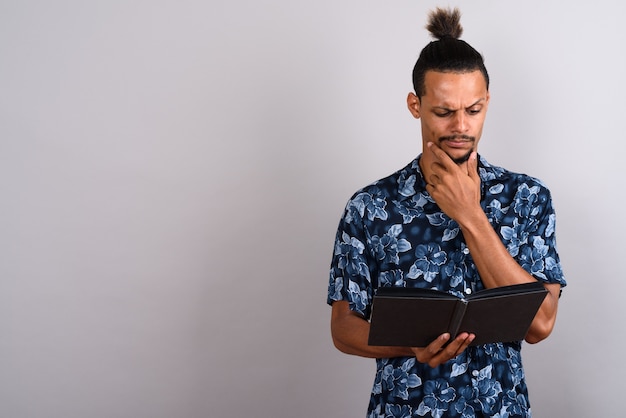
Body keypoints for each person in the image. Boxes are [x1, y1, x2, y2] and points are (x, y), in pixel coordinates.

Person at [327, 7, 566, 418]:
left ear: (487, 102)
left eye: (473, 110)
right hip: (403, 409)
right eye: (443, 111)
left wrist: (470, 215)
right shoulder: (369, 206)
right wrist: (412, 346)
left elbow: (540, 324)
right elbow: (344, 329)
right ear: (415, 105)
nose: (461, 125)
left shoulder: (527, 197)